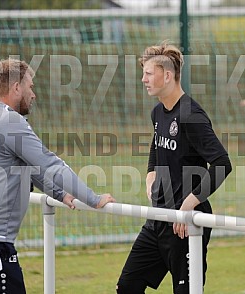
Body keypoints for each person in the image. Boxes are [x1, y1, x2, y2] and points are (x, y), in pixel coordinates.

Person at [0, 58, 115, 294]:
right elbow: (50, 164)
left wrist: (59, 194)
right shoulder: (10, 121)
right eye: (30, 86)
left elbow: (24, 166)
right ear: (16, 88)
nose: (33, 94)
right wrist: (93, 199)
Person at [116, 42, 232, 293]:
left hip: (186, 225)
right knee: (126, 286)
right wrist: (150, 176)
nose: (143, 79)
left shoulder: (191, 115)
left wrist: (188, 206)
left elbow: (222, 164)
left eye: (148, 73)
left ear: (167, 75)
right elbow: (156, 148)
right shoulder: (158, 112)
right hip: (159, 219)